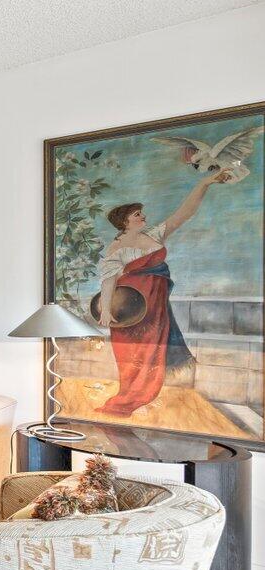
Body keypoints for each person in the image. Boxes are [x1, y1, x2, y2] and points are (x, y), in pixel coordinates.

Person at [95, 174, 224, 415]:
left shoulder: (153, 235)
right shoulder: (116, 248)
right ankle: (126, 401)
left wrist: (204, 183)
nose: (142, 216)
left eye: (141, 213)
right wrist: (106, 310)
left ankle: (142, 398)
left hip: (156, 304)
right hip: (132, 306)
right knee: (133, 355)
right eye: (137, 214)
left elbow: (183, 214)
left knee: (154, 351)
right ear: (125, 221)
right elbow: (108, 280)